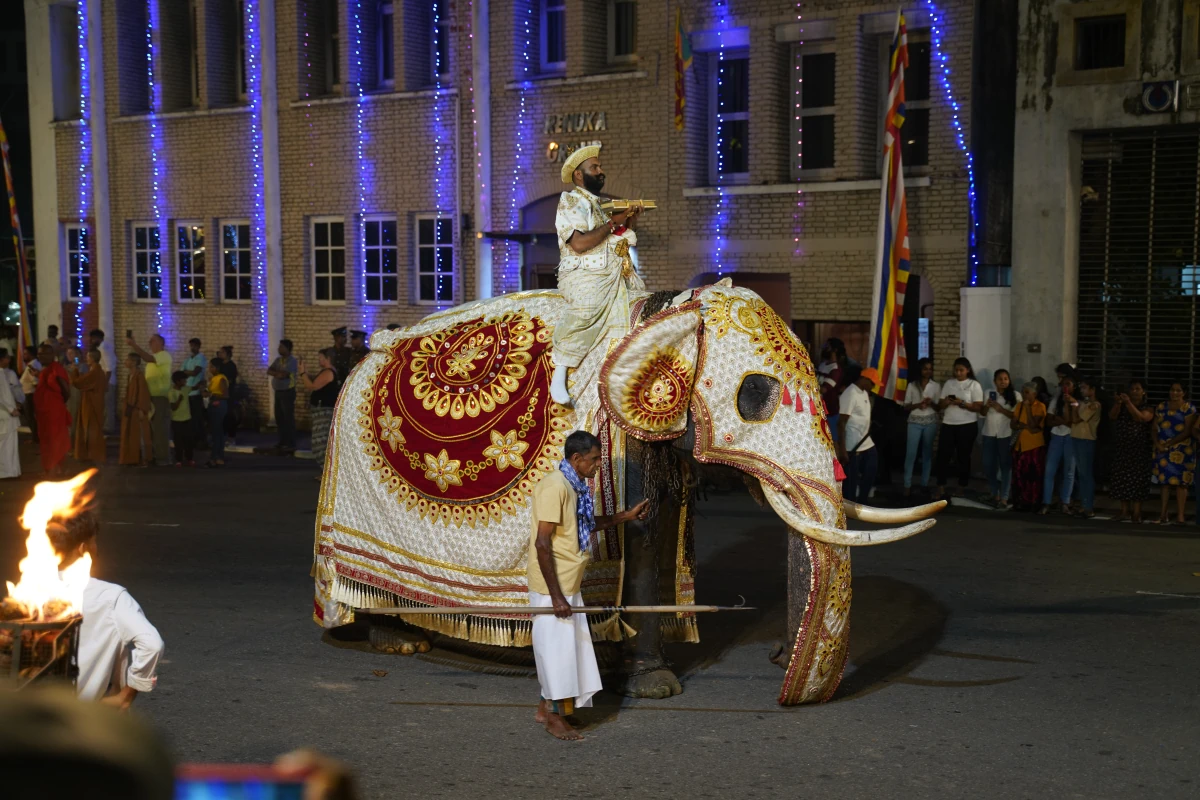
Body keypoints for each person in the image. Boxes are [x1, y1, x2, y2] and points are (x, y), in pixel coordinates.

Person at [529, 430, 648, 740]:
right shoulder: (554, 487)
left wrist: (625, 516)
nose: (597, 465)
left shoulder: (574, 485)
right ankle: (555, 718)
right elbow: (542, 544)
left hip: (568, 581)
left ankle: (545, 709)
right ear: (576, 459)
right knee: (557, 651)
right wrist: (556, 597)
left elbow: (583, 524)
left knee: (567, 649)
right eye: (594, 460)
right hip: (552, 586)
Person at [548, 145, 645, 405]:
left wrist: (628, 220)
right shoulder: (570, 201)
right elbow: (579, 243)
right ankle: (559, 372)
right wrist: (614, 222)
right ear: (579, 175)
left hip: (612, 273)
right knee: (586, 309)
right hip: (584, 275)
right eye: (595, 168)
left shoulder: (598, 205)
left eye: (599, 167)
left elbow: (610, 237)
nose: (601, 172)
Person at [46, 510, 163, 708]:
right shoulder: (110, 597)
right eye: (94, 541)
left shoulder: (28, 594)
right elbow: (152, 644)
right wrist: (125, 697)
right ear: (83, 548)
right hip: (83, 716)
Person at [934, 358, 983, 499]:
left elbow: (978, 407)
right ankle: (940, 486)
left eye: (961, 370)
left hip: (967, 425)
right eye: (956, 370)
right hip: (949, 424)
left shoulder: (974, 385)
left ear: (968, 370)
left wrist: (962, 403)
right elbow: (940, 405)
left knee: (963, 457)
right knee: (943, 456)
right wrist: (947, 402)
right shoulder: (949, 383)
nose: (958, 373)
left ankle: (961, 487)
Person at [1108, 380, 1155, 523]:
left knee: (1138, 480)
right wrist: (1118, 403)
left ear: (1143, 392)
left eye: (1137, 389)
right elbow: (1112, 416)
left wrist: (1128, 403)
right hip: (1123, 447)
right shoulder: (1122, 406)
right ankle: (1124, 511)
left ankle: (1137, 512)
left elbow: (1141, 418)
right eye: (1132, 389)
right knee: (1122, 478)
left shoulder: (1148, 407)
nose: (1134, 391)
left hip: (1140, 448)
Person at [1151, 381, 1197, 525]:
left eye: (1178, 390)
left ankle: (1180, 515)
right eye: (1172, 390)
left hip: (1182, 449)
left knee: (1181, 483)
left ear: (1184, 393)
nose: (1175, 393)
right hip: (1162, 448)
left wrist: (1170, 443)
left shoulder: (1188, 408)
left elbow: (1188, 430)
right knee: (1164, 482)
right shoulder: (1161, 407)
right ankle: (1163, 513)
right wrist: (1158, 443)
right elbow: (1154, 428)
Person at [126, 334, 172, 465]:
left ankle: (163, 458)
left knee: (160, 429)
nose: (150, 342)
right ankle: (154, 455)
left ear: (161, 343)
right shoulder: (154, 360)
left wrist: (134, 345)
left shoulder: (164, 355)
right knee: (151, 429)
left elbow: (148, 358)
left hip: (159, 397)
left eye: (153, 341)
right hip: (150, 397)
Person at [838, 367, 880, 503]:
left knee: (871, 468)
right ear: (864, 379)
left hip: (866, 442)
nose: (873, 387)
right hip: (852, 445)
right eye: (872, 383)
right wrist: (842, 450)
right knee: (851, 480)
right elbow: (841, 423)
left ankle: (862, 501)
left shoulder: (864, 392)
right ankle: (850, 506)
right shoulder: (850, 394)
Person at [981, 368, 1018, 507]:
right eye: (1000, 379)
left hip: (1005, 434)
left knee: (1006, 465)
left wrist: (1000, 409)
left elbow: (1016, 416)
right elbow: (983, 413)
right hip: (989, 432)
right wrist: (987, 405)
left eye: (1005, 379)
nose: (1003, 382)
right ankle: (994, 492)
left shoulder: (1015, 395)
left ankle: (1004, 497)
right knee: (988, 463)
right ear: (995, 381)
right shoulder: (988, 393)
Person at [901, 358, 939, 495]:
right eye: (925, 368)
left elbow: (939, 407)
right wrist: (918, 405)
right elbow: (906, 406)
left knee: (927, 453)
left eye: (930, 368)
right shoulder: (912, 385)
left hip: (930, 421)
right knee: (911, 454)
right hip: (914, 422)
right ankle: (907, 485)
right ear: (920, 370)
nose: (928, 371)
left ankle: (924, 484)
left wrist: (931, 403)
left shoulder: (935, 386)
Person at [1041, 375, 1077, 515]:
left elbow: (1072, 422)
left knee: (1069, 471)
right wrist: (1060, 420)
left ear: (1074, 386)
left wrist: (1060, 418)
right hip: (1056, 436)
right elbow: (1048, 421)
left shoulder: (1076, 401)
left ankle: (1065, 502)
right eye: (1063, 384)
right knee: (1049, 470)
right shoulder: (1055, 401)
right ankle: (1047, 502)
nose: (1065, 387)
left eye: (1068, 384)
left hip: (1071, 437)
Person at [1066, 376, 1101, 518]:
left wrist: (1074, 405)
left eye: (1084, 388)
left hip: (1086, 440)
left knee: (1086, 474)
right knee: (1081, 474)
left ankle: (1088, 506)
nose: (1082, 390)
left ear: (1092, 390)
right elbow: (1070, 420)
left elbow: (1076, 419)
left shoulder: (1095, 405)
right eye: (1081, 388)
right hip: (1076, 438)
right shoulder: (1082, 403)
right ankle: (1084, 504)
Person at [34, 343, 71, 476]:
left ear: (51, 355)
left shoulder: (57, 369)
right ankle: (49, 466)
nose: (40, 357)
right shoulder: (45, 370)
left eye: (43, 354)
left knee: (56, 439)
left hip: (54, 410)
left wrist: (58, 403)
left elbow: (66, 391)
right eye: (38, 354)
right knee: (46, 439)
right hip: (43, 411)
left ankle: (57, 467)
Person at [1010, 382, 1047, 512]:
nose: (1024, 395)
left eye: (1027, 392)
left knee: (1034, 476)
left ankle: (1034, 502)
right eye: (1023, 392)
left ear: (1034, 394)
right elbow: (1013, 424)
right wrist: (1023, 426)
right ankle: (1020, 502)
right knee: (1019, 475)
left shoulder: (1040, 406)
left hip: (1034, 446)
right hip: (1020, 446)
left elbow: (1032, 425)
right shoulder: (1019, 406)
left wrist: (1027, 410)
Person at [299, 349, 339, 466]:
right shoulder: (326, 372)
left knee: (320, 443)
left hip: (324, 411)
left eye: (321, 358)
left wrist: (302, 373)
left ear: (328, 359)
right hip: (322, 410)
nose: (319, 360)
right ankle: (325, 473)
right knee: (323, 442)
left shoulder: (328, 372)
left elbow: (312, 386)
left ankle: (327, 473)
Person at [68, 349, 107, 464]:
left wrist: (74, 371)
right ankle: (89, 453)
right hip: (91, 402)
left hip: (92, 404)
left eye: (88, 357)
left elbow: (80, 383)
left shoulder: (96, 371)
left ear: (93, 358)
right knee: (90, 428)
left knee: (91, 429)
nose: (86, 359)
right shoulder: (94, 371)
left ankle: (93, 454)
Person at [119, 352, 153, 467]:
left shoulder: (139, 376)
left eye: (128, 360)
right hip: (130, 409)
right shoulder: (130, 375)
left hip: (137, 409)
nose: (125, 362)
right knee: (132, 434)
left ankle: (145, 459)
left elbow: (143, 394)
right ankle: (132, 458)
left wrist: (141, 409)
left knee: (141, 435)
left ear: (133, 362)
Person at [267, 339, 298, 451]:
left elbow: (284, 375)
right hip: (278, 391)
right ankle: (282, 441)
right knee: (279, 417)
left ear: (287, 348)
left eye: (281, 347)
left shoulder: (292, 361)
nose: (279, 349)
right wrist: (277, 373)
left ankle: (291, 442)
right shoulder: (278, 360)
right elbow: (269, 370)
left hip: (287, 391)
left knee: (288, 417)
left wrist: (277, 373)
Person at [818, 338, 849, 444]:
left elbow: (824, 389)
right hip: (820, 409)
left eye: (828, 346)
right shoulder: (823, 365)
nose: (825, 348)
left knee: (831, 441)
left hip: (830, 411)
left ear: (834, 350)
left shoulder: (836, 369)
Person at [89, 329, 118, 434]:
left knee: (108, 405)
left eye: (94, 339)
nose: (92, 341)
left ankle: (109, 427)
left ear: (99, 338)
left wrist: (105, 384)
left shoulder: (104, 349)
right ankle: (105, 425)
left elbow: (109, 368)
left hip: (108, 382)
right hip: (104, 381)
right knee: (105, 404)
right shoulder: (101, 348)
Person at [182, 337, 208, 449]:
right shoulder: (188, 359)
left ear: (198, 346)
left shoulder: (200, 358)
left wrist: (187, 372)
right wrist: (187, 372)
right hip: (187, 392)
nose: (192, 348)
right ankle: (193, 440)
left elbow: (195, 372)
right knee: (189, 419)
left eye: (194, 346)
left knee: (197, 418)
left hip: (196, 393)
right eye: (191, 346)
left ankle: (201, 441)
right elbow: (181, 373)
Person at [204, 358, 230, 468]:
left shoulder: (221, 379)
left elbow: (226, 395)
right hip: (213, 405)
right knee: (216, 433)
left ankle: (215, 457)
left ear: (218, 368)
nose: (210, 369)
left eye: (212, 367)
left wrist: (213, 396)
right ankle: (218, 457)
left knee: (217, 433)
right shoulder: (214, 378)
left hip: (219, 406)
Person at [0, 349, 21, 479]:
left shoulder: (4, 373)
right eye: (7, 358)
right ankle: (6, 471)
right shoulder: (1, 373)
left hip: (6, 413)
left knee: (8, 443)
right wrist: (10, 409)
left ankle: (11, 471)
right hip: (5, 414)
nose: (9, 360)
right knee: (6, 444)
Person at [168, 370, 194, 466]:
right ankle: (179, 459)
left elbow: (194, 388)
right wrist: (179, 400)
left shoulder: (185, 389)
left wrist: (201, 384)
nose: (186, 382)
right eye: (184, 380)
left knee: (189, 440)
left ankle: (189, 458)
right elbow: (173, 407)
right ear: (178, 381)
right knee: (178, 441)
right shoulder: (171, 392)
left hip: (187, 419)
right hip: (176, 420)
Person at [219, 345, 240, 443]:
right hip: (219, 393)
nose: (220, 354)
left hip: (228, 394)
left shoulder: (231, 366)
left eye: (222, 352)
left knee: (229, 415)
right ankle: (222, 435)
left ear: (227, 354)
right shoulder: (220, 365)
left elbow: (230, 380)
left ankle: (231, 436)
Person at [20, 346, 40, 441]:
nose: (23, 356)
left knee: (31, 416)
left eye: (25, 354)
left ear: (31, 354)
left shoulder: (32, 365)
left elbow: (35, 382)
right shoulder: (34, 364)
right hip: (28, 394)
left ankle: (35, 438)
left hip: (30, 394)